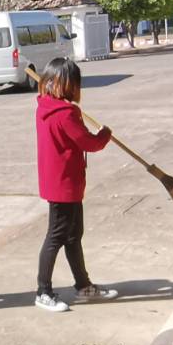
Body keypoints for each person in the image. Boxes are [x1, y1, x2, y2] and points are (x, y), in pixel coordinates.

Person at [32, 57, 119, 311]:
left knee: (72, 236)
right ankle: (43, 292)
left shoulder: (44, 106)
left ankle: (83, 286)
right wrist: (105, 134)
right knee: (57, 236)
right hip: (64, 184)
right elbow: (89, 143)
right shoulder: (66, 113)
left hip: (59, 181)